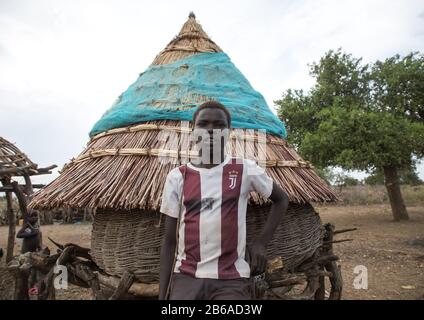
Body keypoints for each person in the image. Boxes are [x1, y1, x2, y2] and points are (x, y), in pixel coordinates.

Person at [159, 100, 289, 300]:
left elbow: (281, 199)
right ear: (193, 132)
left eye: (219, 125)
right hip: (186, 277)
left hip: (232, 279)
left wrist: (261, 243)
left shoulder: (244, 170)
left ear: (229, 132)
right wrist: (163, 295)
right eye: (203, 124)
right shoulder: (178, 177)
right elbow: (169, 241)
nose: (211, 130)